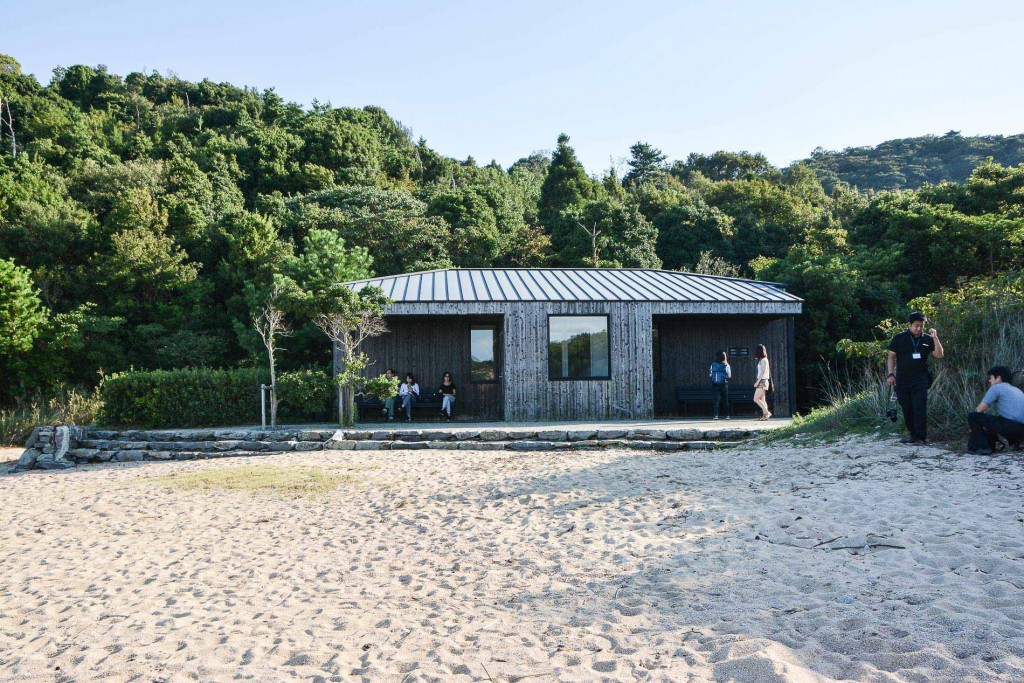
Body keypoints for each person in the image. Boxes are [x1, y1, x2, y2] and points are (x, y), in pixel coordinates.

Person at [886, 311, 944, 444]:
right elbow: (891, 357)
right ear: (909, 325)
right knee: (906, 407)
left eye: (921, 326)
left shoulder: (927, 339)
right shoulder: (899, 338)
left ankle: (920, 437)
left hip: (920, 379)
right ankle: (912, 435)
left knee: (919, 407)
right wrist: (890, 374)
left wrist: (935, 338)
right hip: (902, 380)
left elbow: (939, 355)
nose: (919, 328)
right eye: (916, 325)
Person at [966, 365, 1024, 455]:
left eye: (991, 378)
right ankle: (1019, 441)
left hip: (1010, 426)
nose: (989, 381)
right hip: (1021, 428)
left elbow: (979, 410)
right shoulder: (1017, 390)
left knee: (973, 416)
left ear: (999, 378)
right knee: (1000, 419)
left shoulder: (996, 387)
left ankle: (982, 447)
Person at [709, 351, 731, 420]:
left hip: (715, 384)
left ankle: (716, 415)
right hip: (724, 384)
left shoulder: (713, 364)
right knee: (725, 400)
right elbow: (729, 375)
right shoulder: (726, 365)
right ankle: (727, 415)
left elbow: (710, 374)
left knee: (716, 400)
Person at [753, 344, 772, 420]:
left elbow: (763, 371)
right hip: (764, 381)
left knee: (756, 399)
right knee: (763, 399)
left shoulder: (764, 360)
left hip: (762, 381)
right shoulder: (764, 360)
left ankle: (766, 412)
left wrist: (757, 382)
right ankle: (765, 416)